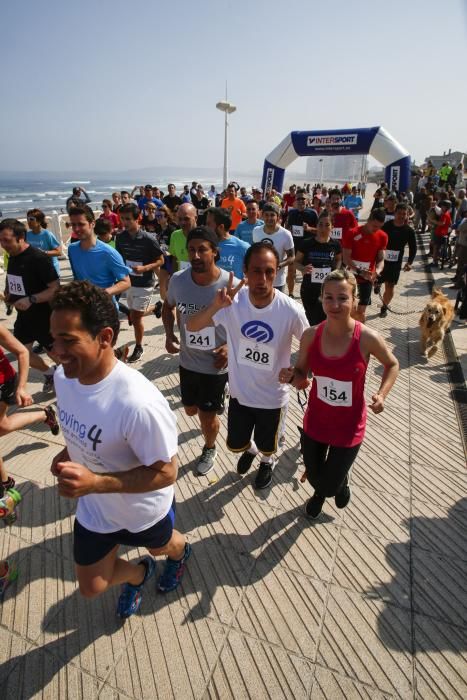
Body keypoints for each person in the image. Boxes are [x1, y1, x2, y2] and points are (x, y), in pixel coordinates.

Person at [49, 280, 190, 617]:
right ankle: (139, 574)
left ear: (106, 337)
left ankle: (181, 553)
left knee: (164, 546)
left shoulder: (138, 404)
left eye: (68, 341)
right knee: (92, 586)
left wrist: (96, 483)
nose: (57, 352)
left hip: (143, 511)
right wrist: (69, 454)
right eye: (54, 340)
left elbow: (168, 472)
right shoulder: (63, 376)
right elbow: (84, 426)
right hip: (96, 512)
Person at [186, 242, 308, 490]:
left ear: (277, 272)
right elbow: (193, 327)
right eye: (256, 271)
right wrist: (216, 305)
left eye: (269, 272)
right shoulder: (232, 302)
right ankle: (251, 452)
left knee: (269, 446)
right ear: (245, 271)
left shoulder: (290, 310)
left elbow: (311, 345)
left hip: (273, 398)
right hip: (240, 395)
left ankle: (266, 462)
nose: (262, 279)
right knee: (236, 444)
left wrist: (298, 371)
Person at [280, 269, 399, 518]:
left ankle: (330, 488)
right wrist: (293, 377)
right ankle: (322, 488)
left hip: (349, 424)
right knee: (314, 475)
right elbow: (302, 371)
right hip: (316, 420)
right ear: (321, 299)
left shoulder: (367, 338)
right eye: (329, 297)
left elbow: (392, 364)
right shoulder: (311, 335)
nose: (335, 304)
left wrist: (382, 395)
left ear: (354, 299)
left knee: (329, 485)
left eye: (343, 298)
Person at [162, 227, 230, 476]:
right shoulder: (178, 280)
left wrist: (230, 348)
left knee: (206, 416)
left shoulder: (228, 284)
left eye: (203, 249)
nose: (196, 255)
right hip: (187, 362)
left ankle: (210, 447)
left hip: (215, 365)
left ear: (215, 252)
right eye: (192, 250)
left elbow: (247, 325)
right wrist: (169, 334)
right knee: (190, 409)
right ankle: (210, 410)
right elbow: (167, 307)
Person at [0, 218, 60, 391]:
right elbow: (13, 280)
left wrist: (31, 299)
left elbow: (55, 288)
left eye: (7, 240)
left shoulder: (38, 258)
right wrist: (9, 293)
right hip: (24, 318)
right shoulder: (12, 256)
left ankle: (75, 383)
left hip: (45, 317)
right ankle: (51, 373)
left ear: (21, 238)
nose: (3, 245)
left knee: (59, 357)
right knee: (22, 353)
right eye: (1, 240)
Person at [0, 323, 59, 493]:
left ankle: (5, 483)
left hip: (3, 383)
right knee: (3, 426)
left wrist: (22, 387)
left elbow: (23, 351)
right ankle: (44, 414)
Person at [115, 203, 164, 362]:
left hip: (145, 282)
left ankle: (139, 346)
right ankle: (157, 307)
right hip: (128, 282)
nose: (125, 222)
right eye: (122, 219)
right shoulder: (120, 238)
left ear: (138, 219)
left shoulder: (149, 239)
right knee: (135, 313)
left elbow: (161, 260)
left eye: (128, 219)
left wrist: (145, 268)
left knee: (135, 317)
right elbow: (120, 258)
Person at [67, 205, 131, 308]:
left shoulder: (108, 252)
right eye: (73, 225)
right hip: (83, 308)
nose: (76, 229)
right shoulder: (72, 249)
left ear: (92, 223)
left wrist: (100, 294)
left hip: (105, 309)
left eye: (81, 224)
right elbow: (77, 278)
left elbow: (126, 282)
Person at [295, 211, 342, 325]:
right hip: (309, 289)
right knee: (311, 320)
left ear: (332, 227)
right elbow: (295, 262)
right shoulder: (306, 243)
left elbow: (339, 259)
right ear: (316, 225)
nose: (323, 228)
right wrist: (302, 268)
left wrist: (336, 270)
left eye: (327, 225)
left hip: (328, 289)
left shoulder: (335, 244)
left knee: (326, 320)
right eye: (320, 224)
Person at [342, 209, 387, 323]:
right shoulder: (352, 233)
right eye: (374, 226)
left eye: (379, 227)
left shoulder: (383, 236)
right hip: (350, 277)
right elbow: (346, 258)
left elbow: (381, 258)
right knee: (351, 309)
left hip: (367, 278)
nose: (376, 229)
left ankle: (359, 334)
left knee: (361, 312)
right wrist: (360, 272)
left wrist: (378, 270)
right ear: (369, 219)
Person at [377, 203, 417, 318]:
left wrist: (409, 262)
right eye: (399, 213)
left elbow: (413, 248)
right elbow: (377, 239)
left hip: (395, 263)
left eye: (404, 214)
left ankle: (385, 306)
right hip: (381, 260)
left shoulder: (409, 231)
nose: (401, 216)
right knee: (376, 280)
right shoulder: (386, 226)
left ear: (407, 215)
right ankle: (378, 284)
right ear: (395, 213)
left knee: (390, 286)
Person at [252, 203, 294, 292]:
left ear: (278, 217)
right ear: (262, 216)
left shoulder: (286, 234)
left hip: (277, 281)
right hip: (260, 279)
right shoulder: (256, 231)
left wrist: (279, 265)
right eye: (266, 215)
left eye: (272, 215)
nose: (269, 218)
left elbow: (291, 257)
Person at [285, 191, 318, 296]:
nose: (300, 201)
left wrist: (309, 228)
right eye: (298, 199)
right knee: (291, 273)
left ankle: (307, 294)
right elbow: (287, 228)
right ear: (295, 201)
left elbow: (319, 230)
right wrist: (289, 229)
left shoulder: (312, 213)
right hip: (294, 248)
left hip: (308, 249)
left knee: (307, 274)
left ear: (307, 200)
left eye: (303, 199)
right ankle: (290, 294)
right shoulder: (292, 213)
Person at [206, 207, 249, 280]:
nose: (206, 227)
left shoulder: (243, 247)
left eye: (208, 224)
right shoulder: (206, 246)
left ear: (221, 227)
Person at [26, 208, 62, 276]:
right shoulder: (27, 235)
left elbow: (59, 252)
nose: (29, 222)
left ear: (39, 221)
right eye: (27, 219)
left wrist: (43, 253)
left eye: (31, 219)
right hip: (36, 271)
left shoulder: (47, 234)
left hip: (50, 270)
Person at [168, 203, 198, 271]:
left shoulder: (204, 236)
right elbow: (174, 258)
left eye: (186, 219)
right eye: (180, 219)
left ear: (196, 218)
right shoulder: (175, 235)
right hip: (182, 278)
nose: (182, 222)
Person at [430, 199, 452, 267]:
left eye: (443, 206)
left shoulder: (445, 214)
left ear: (447, 207)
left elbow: (442, 223)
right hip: (442, 232)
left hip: (440, 233)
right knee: (437, 247)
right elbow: (450, 223)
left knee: (436, 248)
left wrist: (433, 221)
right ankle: (436, 259)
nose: (441, 207)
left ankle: (434, 262)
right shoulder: (447, 213)